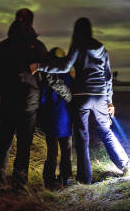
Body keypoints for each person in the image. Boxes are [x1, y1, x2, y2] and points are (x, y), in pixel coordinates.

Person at [31, 17, 128, 184]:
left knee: (82, 138)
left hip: (82, 96)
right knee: (105, 130)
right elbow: (108, 76)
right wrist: (110, 101)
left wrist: (40, 66)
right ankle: (124, 164)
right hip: (100, 97)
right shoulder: (101, 47)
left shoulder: (78, 45)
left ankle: (85, 179)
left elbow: (64, 67)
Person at [0, 9, 71, 190]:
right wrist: (69, 96)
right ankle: (19, 184)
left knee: (4, 143)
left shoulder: (2, 47)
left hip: (8, 101)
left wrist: (3, 89)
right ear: (31, 22)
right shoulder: (37, 47)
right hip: (29, 104)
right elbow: (50, 76)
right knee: (24, 146)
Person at [38, 47, 74, 189]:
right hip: (66, 118)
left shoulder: (46, 76)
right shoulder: (69, 75)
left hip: (52, 118)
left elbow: (43, 99)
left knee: (52, 151)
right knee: (66, 150)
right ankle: (66, 178)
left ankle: (49, 181)